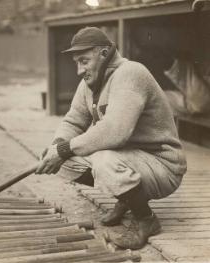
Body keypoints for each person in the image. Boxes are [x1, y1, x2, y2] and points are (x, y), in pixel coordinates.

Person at [36, 27, 187, 250]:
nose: (79, 70)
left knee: (103, 160)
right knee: (62, 161)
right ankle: (127, 198)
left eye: (84, 61)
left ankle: (146, 219)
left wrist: (66, 148)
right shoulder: (90, 81)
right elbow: (73, 121)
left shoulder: (131, 73)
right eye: (77, 62)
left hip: (162, 164)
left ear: (104, 53)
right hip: (129, 159)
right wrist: (57, 146)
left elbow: (116, 131)